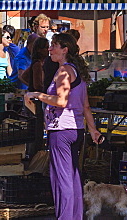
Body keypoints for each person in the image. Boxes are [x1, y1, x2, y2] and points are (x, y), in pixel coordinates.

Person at [24, 33, 103, 220]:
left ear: (65, 49)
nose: (50, 49)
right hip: (75, 129)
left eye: (54, 45)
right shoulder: (77, 71)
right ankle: (75, 216)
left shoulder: (64, 72)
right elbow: (85, 106)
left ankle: (66, 217)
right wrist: (93, 129)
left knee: (62, 178)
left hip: (61, 131)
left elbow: (60, 100)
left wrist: (37, 95)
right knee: (73, 176)